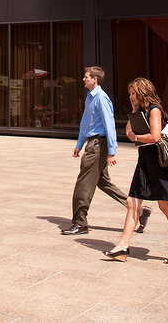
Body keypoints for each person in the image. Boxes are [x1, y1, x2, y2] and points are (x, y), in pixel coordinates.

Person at [104, 77, 168, 264]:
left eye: (133, 94)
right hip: (144, 161)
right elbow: (128, 131)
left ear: (143, 92)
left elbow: (154, 136)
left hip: (156, 163)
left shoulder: (154, 110)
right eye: (130, 94)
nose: (131, 97)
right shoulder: (140, 112)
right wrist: (134, 113)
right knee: (132, 202)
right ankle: (122, 246)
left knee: (165, 206)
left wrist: (136, 137)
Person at [61, 66, 135, 236]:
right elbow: (85, 122)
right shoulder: (89, 97)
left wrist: (112, 152)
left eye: (86, 77)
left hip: (97, 146)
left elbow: (109, 125)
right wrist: (79, 145)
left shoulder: (101, 98)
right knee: (102, 182)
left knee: (83, 184)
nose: (83, 79)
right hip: (91, 143)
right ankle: (139, 209)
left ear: (95, 79)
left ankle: (80, 223)